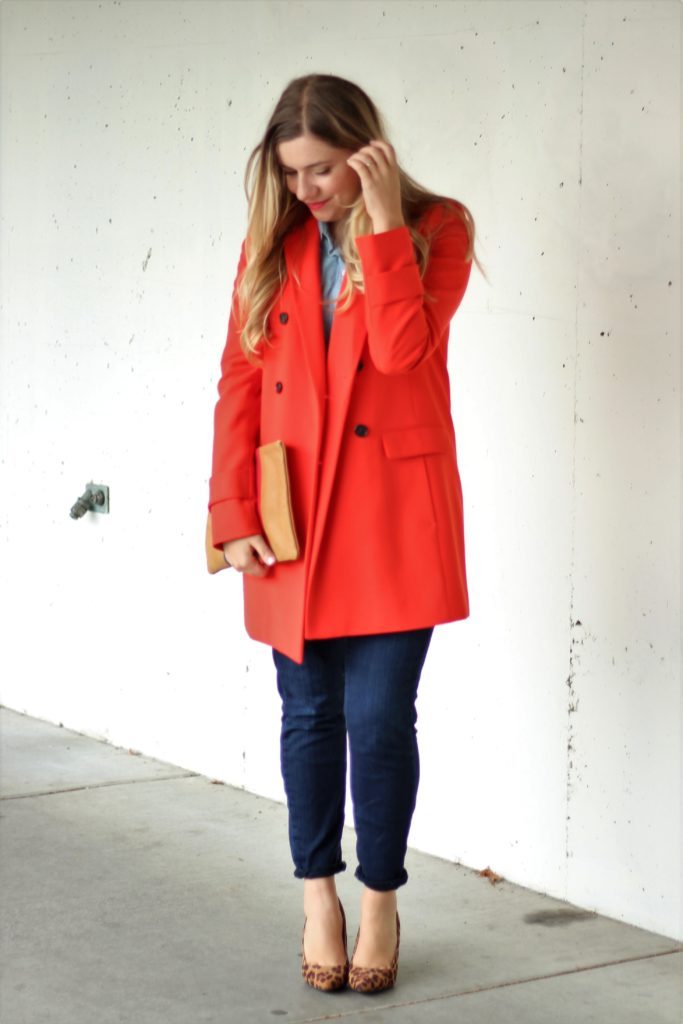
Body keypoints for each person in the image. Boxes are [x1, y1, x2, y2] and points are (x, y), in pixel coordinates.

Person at [208, 73, 478, 994]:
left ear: (366, 152)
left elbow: (406, 349)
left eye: (321, 170)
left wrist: (382, 221)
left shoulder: (437, 228)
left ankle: (379, 900)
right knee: (310, 717)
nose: (306, 190)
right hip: (293, 520)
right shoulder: (273, 240)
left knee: (377, 718)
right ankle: (317, 895)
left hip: (393, 517)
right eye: (291, 174)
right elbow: (239, 384)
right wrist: (230, 513)